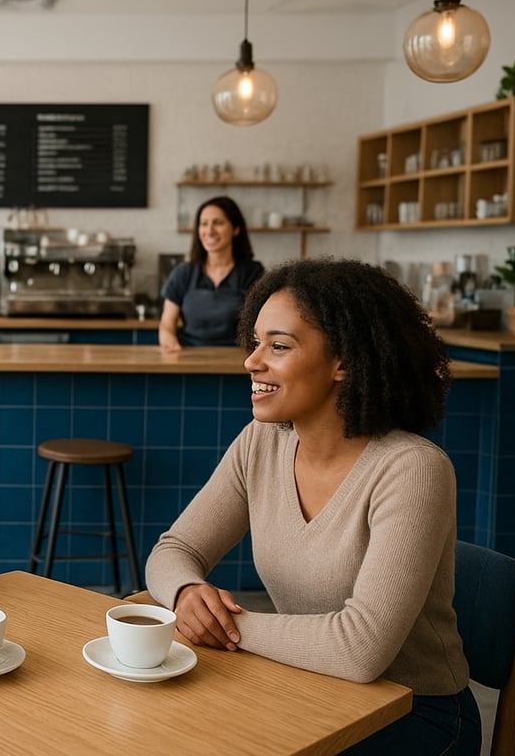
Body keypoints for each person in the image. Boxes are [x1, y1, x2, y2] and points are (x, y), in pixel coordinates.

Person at [145, 258, 479, 754]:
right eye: (256, 341)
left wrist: (222, 624)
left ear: (343, 361)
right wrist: (186, 593)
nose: (251, 361)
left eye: (278, 346)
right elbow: (174, 549)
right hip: (310, 686)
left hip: (415, 712)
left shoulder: (413, 469)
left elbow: (359, 650)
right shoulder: (262, 442)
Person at [158, 196, 264, 352]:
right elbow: (167, 323)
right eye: (204, 224)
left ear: (236, 229)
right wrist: (169, 339)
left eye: (218, 223)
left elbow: (263, 325)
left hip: (238, 361)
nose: (209, 230)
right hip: (189, 357)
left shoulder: (252, 273)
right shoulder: (184, 273)